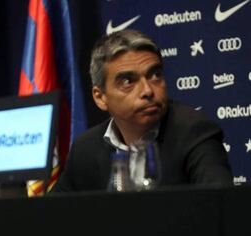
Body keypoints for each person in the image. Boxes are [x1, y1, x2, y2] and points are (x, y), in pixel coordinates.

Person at [51, 29, 233, 192]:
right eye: (128, 82)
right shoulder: (86, 148)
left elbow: (221, 209)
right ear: (100, 97)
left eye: (155, 76)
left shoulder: (194, 132)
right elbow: (51, 216)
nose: (147, 91)